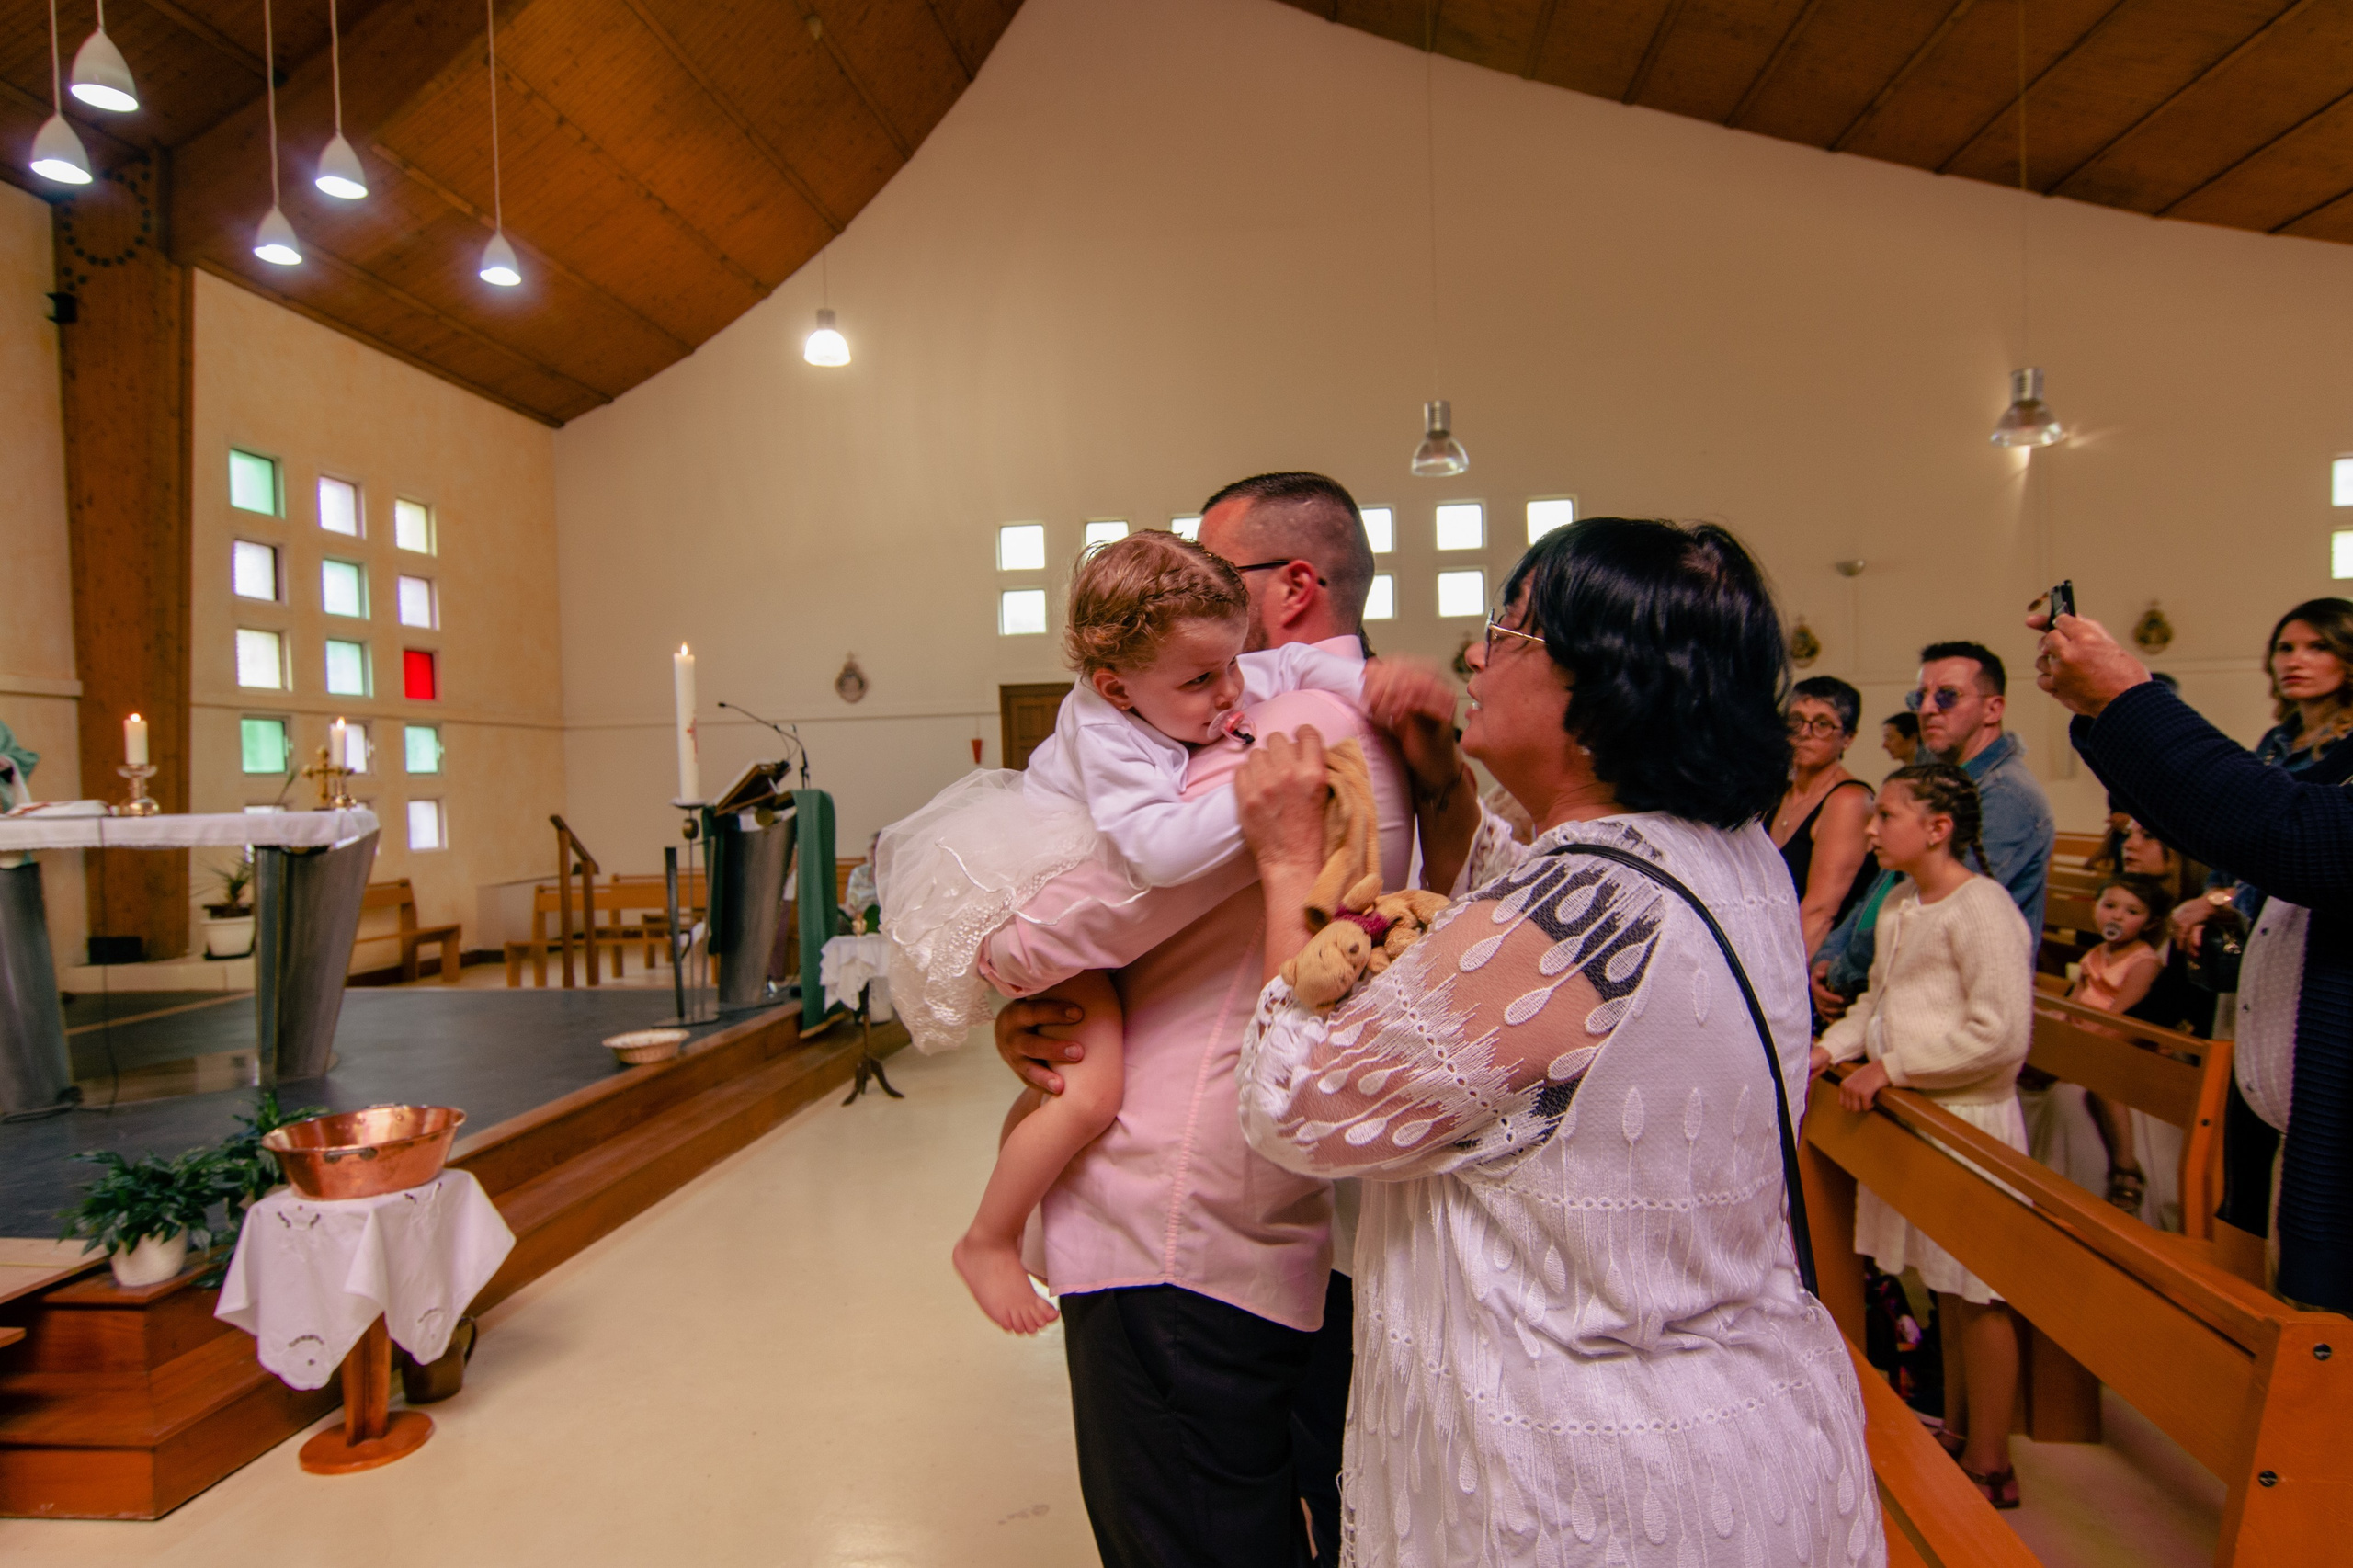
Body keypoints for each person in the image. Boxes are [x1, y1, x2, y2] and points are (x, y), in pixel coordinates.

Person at [1232, 517, 1884, 1567]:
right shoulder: (1731, 852)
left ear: (1603, 677)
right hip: (1744, 1427)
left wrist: (1283, 860)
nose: (1476, 654)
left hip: (1590, 1486)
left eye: (1512, 628)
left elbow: (1295, 1100)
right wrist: (1441, 780)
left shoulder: (1590, 906)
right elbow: (1521, 951)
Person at [983, 472, 1410, 1567]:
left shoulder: (1282, 734)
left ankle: (984, 1236)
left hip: (1172, 1223)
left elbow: (1055, 926)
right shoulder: (1337, 706)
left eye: (1227, 579)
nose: (1224, 687)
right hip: (1284, 1222)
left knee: (1185, 1530)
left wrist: (990, 962)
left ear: (1291, 586)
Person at [875, 530, 1362, 1333]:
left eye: (1235, 662)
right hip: (1032, 880)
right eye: (1204, 679)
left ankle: (1016, 1205)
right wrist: (1261, 799)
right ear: (1117, 687)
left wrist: (1367, 684)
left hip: (1065, 880)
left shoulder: (1195, 675)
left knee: (1062, 1088)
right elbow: (1160, 853)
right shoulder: (1105, 730)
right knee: (1091, 1092)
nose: (1234, 691)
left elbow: (1293, 665)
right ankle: (987, 1239)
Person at [2034, 604, 2353, 1313]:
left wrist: (2126, 698)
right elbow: (2232, 820)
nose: (2295, 659)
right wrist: (2105, 713)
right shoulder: (2298, 744)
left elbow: (2301, 835)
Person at [1813, 763, 2031, 1509]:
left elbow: (2000, 1034)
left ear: (1937, 828)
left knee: (1980, 1293)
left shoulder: (1982, 908)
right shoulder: (1905, 903)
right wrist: (1835, 1049)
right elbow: (1880, 999)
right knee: (1943, 1288)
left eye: (1888, 815)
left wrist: (1894, 1066)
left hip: (1971, 1122)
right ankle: (1961, 1432)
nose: (1872, 829)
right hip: (1922, 1118)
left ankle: (1993, 1459)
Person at [1813, 642, 2052, 1022]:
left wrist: (1841, 974)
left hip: (1947, 1016)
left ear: (1994, 708)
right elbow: (1884, 886)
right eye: (1920, 696)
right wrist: (1829, 954)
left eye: (1947, 696)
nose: (1926, 709)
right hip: (1883, 998)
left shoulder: (2006, 797)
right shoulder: (1936, 781)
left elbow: (1928, 914)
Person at [2067, 874, 2175, 1215]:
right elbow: (2073, 1000)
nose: (2116, 917)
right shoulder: (2095, 954)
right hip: (2082, 1035)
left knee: (2104, 1084)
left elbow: (2124, 1018)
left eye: (2131, 911)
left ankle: (2125, 1167)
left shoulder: (2143, 962)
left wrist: (2089, 1040)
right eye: (2109, 906)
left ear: (2151, 922)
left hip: (2119, 1044)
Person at [1775, 675, 1877, 959]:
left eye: (1822, 724)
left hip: (1817, 963)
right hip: (1774, 952)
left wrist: (1780, 992)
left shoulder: (1849, 800)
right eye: (1796, 720)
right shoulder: (1778, 795)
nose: (1805, 733)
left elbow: (1820, 915)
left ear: (1848, 738)